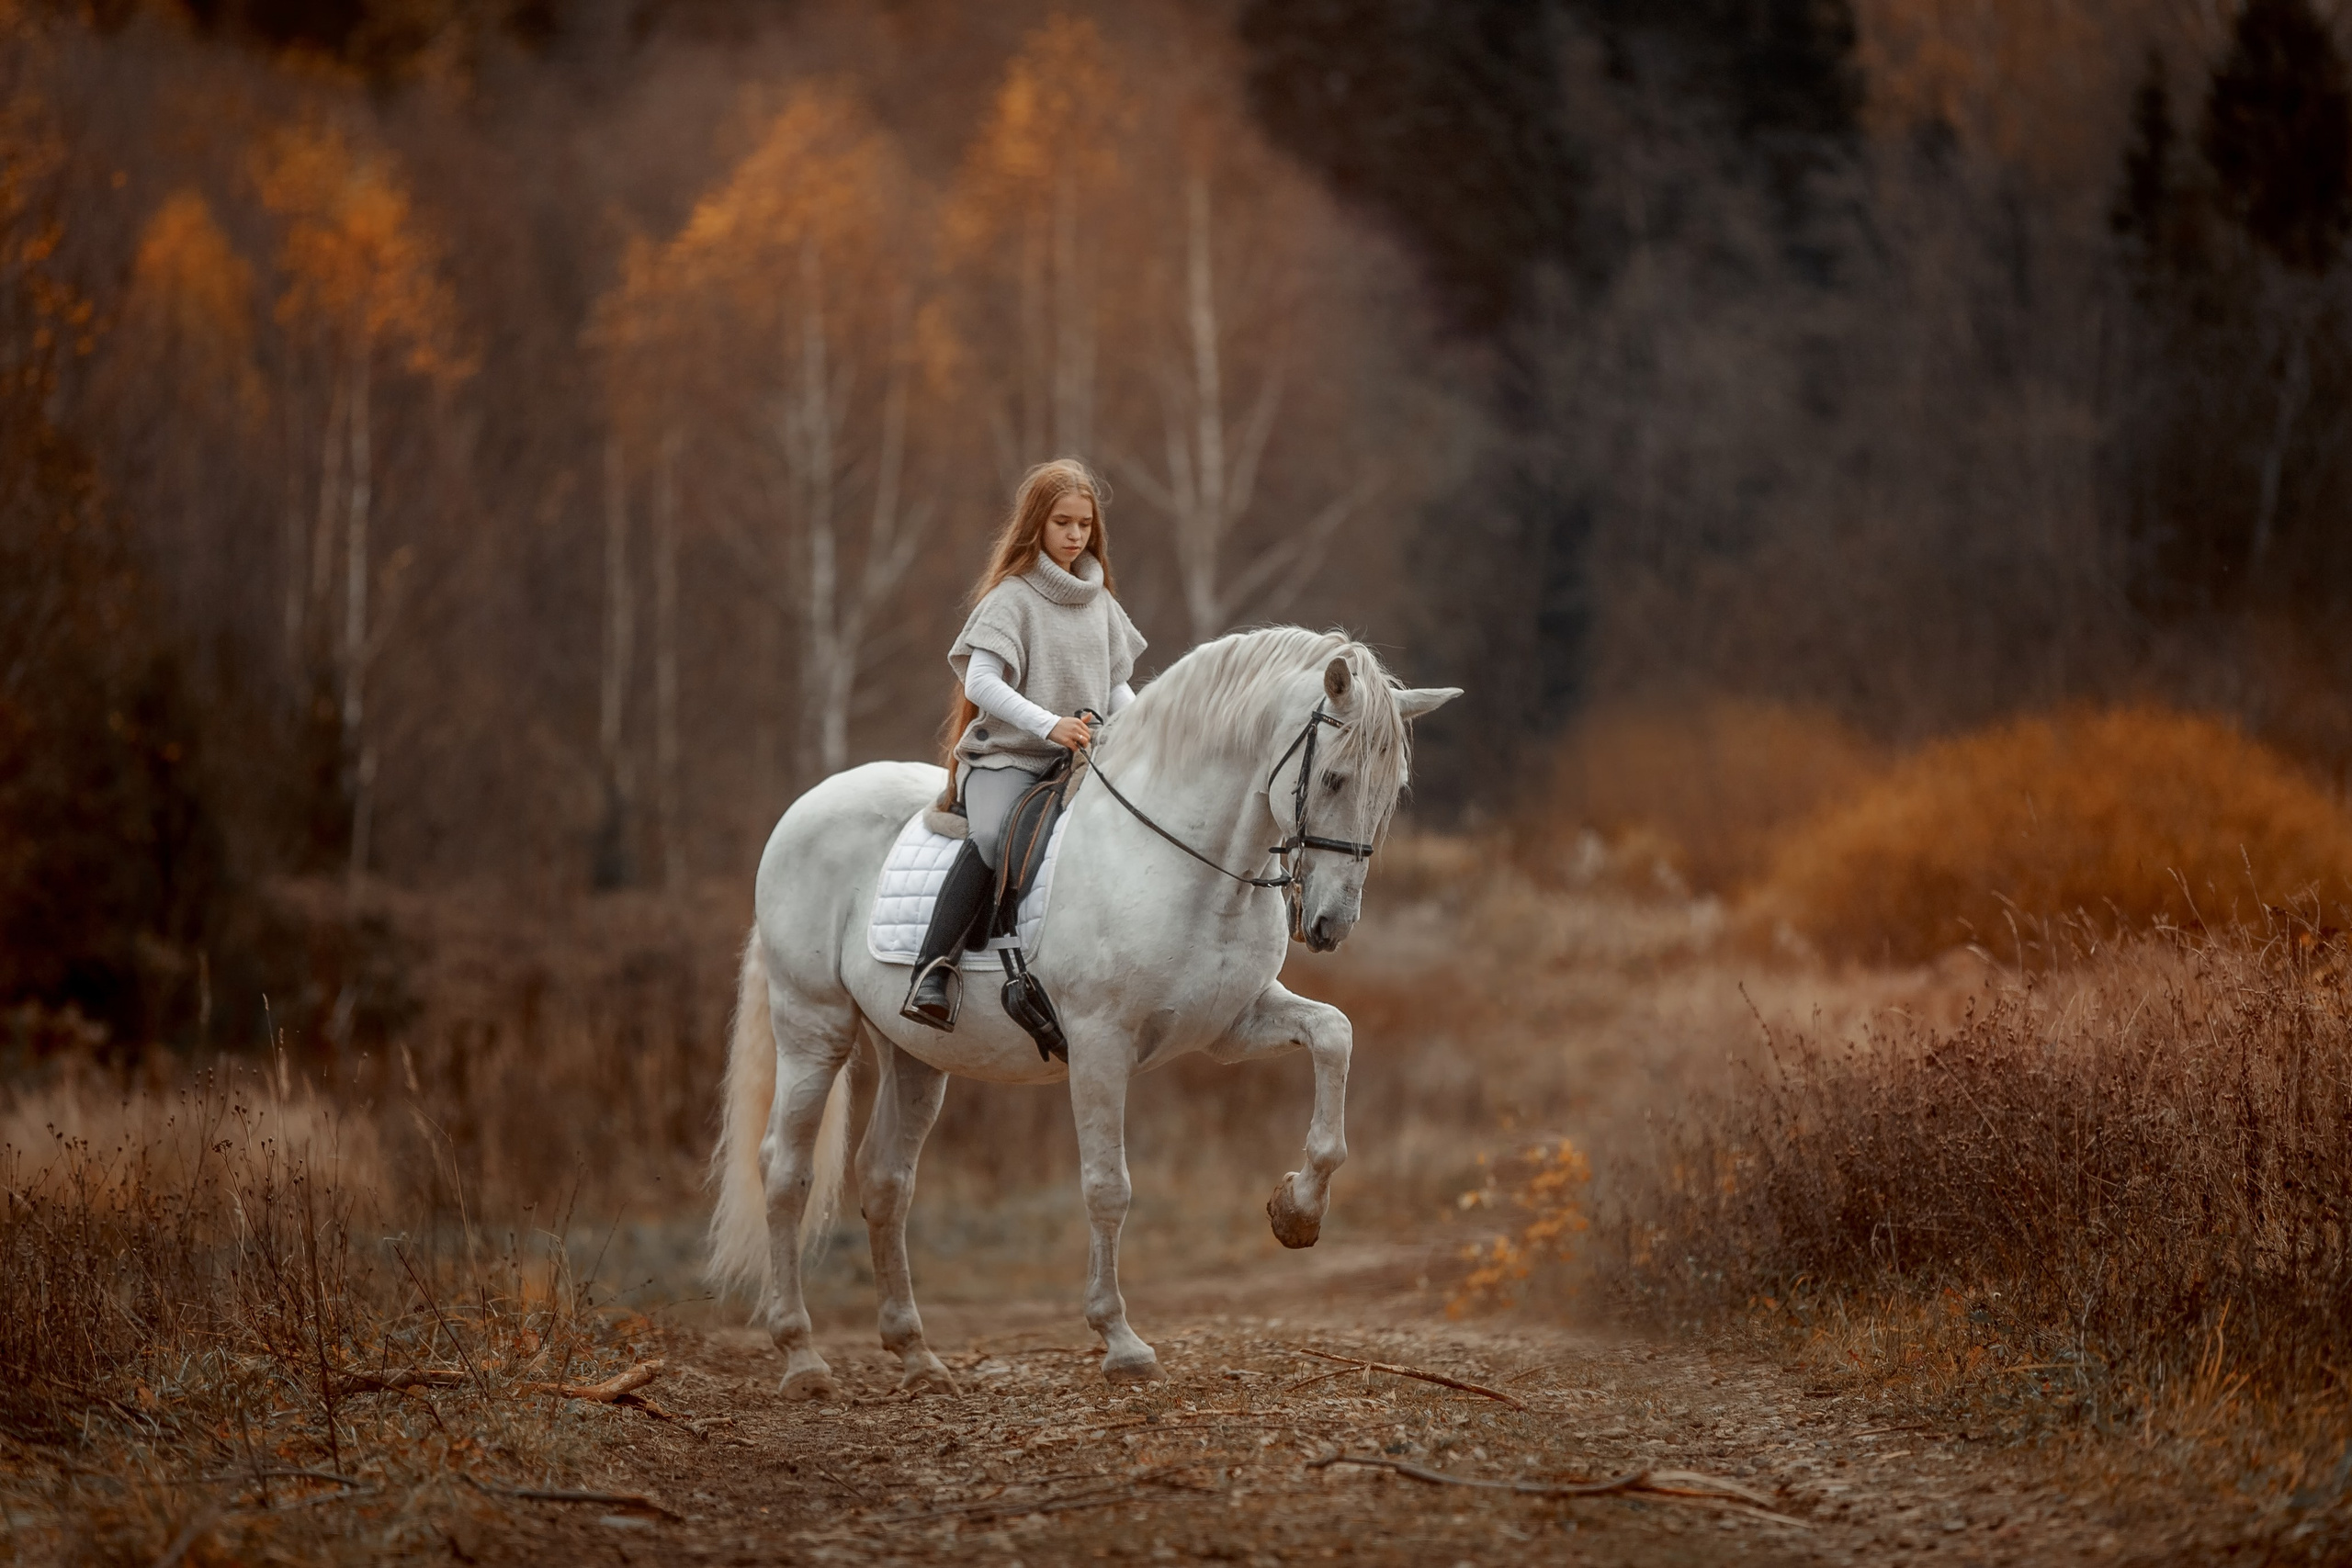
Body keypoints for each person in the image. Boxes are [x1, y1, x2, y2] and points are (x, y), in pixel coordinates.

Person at [901, 457, 1147, 1031]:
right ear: (1036, 522)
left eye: (1084, 525)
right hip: (1010, 756)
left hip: (1079, 761)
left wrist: (1148, 732)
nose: (1074, 535)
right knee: (991, 835)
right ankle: (931, 969)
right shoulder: (1012, 598)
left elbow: (1115, 688)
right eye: (1063, 522)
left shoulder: (1101, 602)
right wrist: (1048, 724)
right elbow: (982, 681)